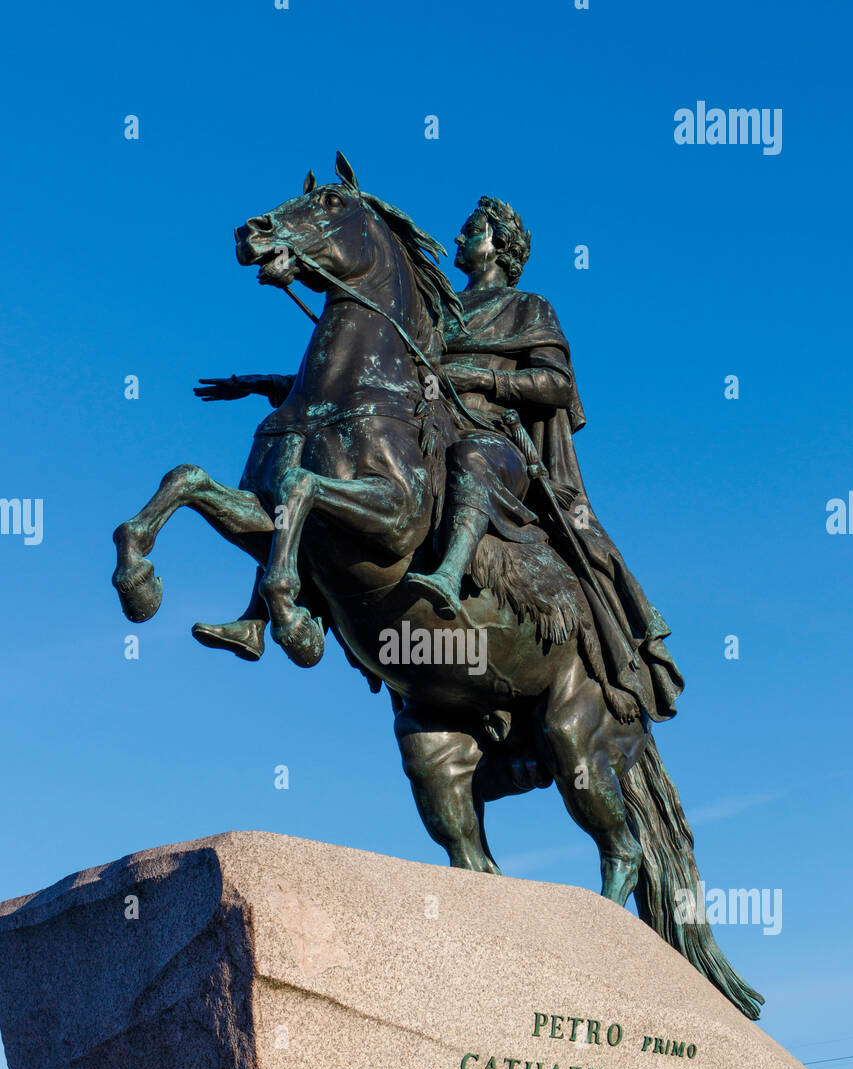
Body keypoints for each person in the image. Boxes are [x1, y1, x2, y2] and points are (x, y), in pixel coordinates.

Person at [193, 197, 683, 724]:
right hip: (428, 427)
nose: (458, 241)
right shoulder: (433, 310)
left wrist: (485, 380)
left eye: (471, 232)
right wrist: (271, 384)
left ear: (500, 245)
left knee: (468, 457)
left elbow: (558, 386)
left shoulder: (528, 307)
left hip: (493, 437)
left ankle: (449, 574)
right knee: (322, 455)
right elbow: (373, 381)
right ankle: (264, 613)